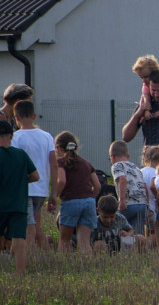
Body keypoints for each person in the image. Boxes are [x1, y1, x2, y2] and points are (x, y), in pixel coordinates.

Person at [12, 100, 56, 251]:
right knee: (33, 224)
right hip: (42, 189)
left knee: (28, 227)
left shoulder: (15, 138)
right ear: (34, 116)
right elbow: (54, 164)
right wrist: (54, 193)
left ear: (16, 117)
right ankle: (19, 255)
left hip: (24, 189)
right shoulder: (47, 137)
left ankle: (27, 257)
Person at [0, 119, 39, 274]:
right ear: (11, 135)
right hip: (18, 204)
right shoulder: (21, 155)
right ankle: (20, 273)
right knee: (19, 240)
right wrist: (22, 181)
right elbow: (35, 176)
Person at [52, 130, 100, 255]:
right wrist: (89, 198)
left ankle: (64, 267)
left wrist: (54, 197)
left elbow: (61, 181)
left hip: (70, 201)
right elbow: (97, 185)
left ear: (58, 148)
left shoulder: (61, 162)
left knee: (64, 241)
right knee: (84, 242)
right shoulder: (86, 163)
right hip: (89, 202)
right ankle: (88, 268)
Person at [108, 139, 149, 237]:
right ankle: (138, 250)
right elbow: (144, 186)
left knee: (118, 228)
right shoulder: (136, 168)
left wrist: (122, 200)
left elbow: (122, 180)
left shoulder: (117, 166)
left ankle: (119, 248)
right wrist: (147, 204)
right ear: (128, 156)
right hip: (142, 204)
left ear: (112, 157)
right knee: (137, 233)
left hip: (129, 203)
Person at [140, 145, 159, 251]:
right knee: (154, 232)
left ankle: (147, 251)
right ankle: (148, 249)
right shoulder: (155, 172)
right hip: (153, 205)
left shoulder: (141, 171)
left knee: (147, 229)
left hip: (143, 204)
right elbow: (152, 185)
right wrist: (157, 197)